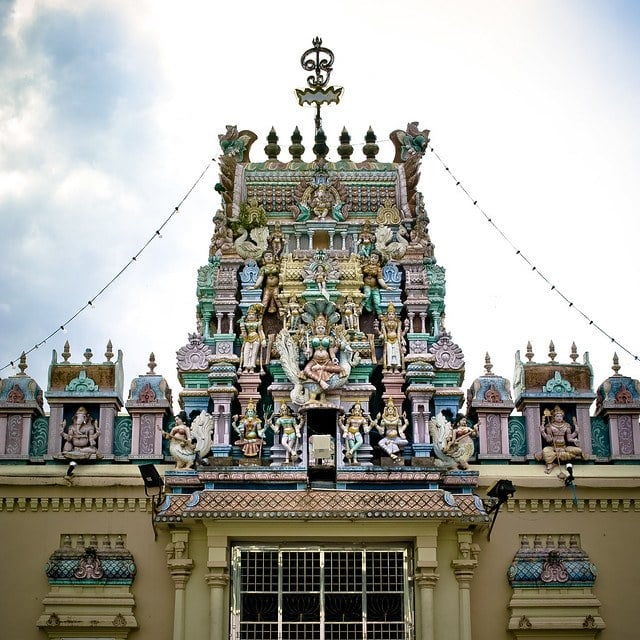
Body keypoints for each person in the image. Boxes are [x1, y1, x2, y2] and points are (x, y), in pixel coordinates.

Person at [301, 315, 347, 391]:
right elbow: (310, 354)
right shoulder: (311, 339)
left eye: (322, 328)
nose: (320, 329)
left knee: (340, 369)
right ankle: (320, 381)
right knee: (306, 370)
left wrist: (334, 358)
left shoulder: (329, 338)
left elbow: (331, 352)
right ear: (315, 329)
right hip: (315, 360)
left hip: (327, 360)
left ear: (325, 329)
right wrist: (305, 350)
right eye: (318, 328)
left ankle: (322, 368)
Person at [535, 406, 586, 473]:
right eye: (557, 416)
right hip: (554, 447)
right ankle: (550, 464)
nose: (559, 418)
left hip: (564, 447)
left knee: (579, 450)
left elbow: (569, 438)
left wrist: (575, 433)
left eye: (561, 416)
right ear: (553, 417)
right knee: (545, 451)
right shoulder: (549, 426)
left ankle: (556, 457)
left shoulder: (566, 425)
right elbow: (548, 440)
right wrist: (543, 432)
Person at [239, 305, 266, 372]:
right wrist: (242, 333)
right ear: (247, 316)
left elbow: (260, 331)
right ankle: (245, 367)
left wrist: (263, 340)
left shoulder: (258, 323)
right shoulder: (244, 324)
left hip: (256, 338)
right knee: (246, 352)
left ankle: (252, 368)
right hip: (247, 339)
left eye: (253, 314)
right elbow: (243, 333)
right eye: (249, 315)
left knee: (254, 353)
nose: (251, 316)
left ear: (256, 316)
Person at [379, 304, 404, 371]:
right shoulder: (384, 323)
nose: (391, 316)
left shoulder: (398, 322)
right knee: (389, 353)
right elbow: (383, 332)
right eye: (389, 314)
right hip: (388, 340)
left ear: (395, 315)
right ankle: (389, 367)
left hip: (396, 339)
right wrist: (382, 336)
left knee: (396, 353)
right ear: (387, 315)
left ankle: (396, 368)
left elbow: (399, 332)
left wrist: (401, 339)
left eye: (392, 314)